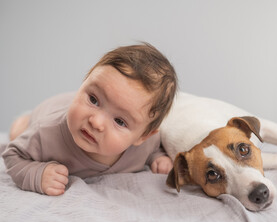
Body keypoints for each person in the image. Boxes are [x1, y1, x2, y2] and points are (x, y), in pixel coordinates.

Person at [2, 43, 177, 196]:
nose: (96, 122)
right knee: (18, 131)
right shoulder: (47, 132)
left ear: (142, 136)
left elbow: (154, 147)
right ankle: (25, 118)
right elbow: (13, 154)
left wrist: (158, 157)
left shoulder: (148, 143)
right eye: (93, 99)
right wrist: (37, 174)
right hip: (50, 109)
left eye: (120, 121)